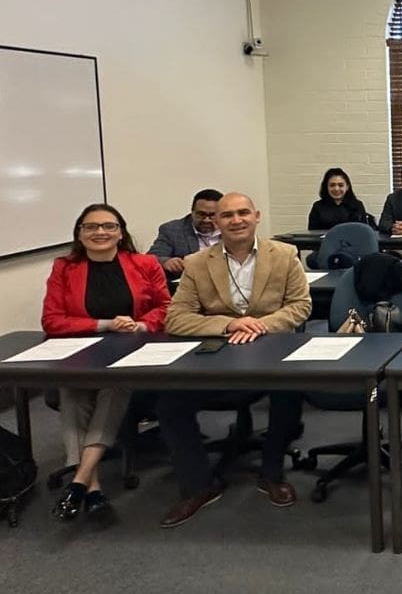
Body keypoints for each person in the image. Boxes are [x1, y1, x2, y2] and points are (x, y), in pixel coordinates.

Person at [155, 193, 312, 528]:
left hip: (270, 351)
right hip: (216, 356)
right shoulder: (198, 263)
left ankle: (271, 474)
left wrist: (259, 325)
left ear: (257, 216)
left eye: (243, 213)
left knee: (290, 390)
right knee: (169, 401)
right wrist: (228, 324)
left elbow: (300, 306)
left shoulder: (285, 254)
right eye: (227, 215)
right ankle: (199, 485)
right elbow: (176, 318)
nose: (236, 220)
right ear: (217, 221)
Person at [42, 204, 170, 522]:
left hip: (133, 352)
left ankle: (79, 482)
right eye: (91, 226)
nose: (100, 232)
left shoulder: (144, 264)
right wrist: (104, 324)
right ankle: (90, 486)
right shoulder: (64, 268)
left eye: (109, 226)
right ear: (79, 233)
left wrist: (141, 325)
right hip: (81, 355)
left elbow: (167, 307)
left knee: (114, 386)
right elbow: (52, 320)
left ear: (121, 232)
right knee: (72, 391)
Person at [148, 189, 223, 279]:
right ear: (192, 212)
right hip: (188, 284)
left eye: (212, 215)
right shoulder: (172, 230)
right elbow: (151, 259)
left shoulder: (232, 229)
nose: (206, 220)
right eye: (201, 214)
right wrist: (166, 262)